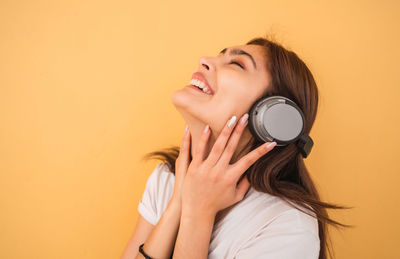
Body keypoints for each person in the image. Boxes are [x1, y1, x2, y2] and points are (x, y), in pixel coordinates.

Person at [121, 35, 352, 259]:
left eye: (236, 64)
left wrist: (198, 211)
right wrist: (179, 202)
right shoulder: (166, 181)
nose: (204, 60)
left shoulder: (287, 225)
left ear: (273, 118)